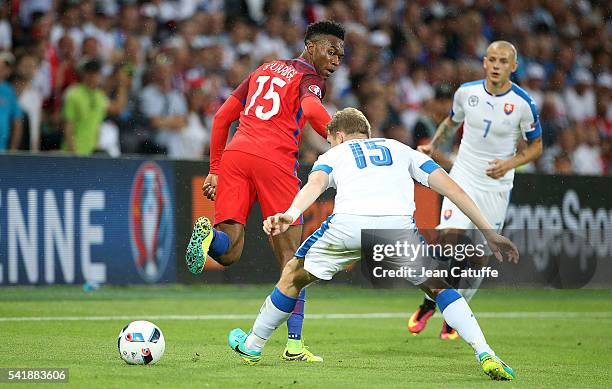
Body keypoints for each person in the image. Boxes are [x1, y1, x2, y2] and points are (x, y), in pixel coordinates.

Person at [227, 107, 518, 381]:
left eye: (330, 141)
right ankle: (486, 353)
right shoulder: (400, 149)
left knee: (292, 275)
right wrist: (489, 232)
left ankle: (253, 345)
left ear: (338, 137)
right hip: (396, 228)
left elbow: (314, 184)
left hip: (348, 225)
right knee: (440, 287)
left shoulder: (337, 153)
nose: (331, 146)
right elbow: (452, 188)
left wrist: (290, 214)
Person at [186, 20, 345, 362]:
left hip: (236, 155)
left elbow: (222, 118)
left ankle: (207, 240)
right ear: (311, 46)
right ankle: (294, 345)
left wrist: (214, 168)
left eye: (341, 56)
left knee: (229, 250)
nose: (335, 61)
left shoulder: (262, 70)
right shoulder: (309, 78)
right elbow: (312, 110)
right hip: (274, 162)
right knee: (295, 262)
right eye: (331, 52)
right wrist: (339, 135)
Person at [408, 41, 543, 339]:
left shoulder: (523, 104)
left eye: (503, 61)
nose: (496, 65)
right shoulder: (466, 93)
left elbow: (536, 146)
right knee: (448, 241)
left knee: (480, 257)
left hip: (495, 186)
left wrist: (509, 164)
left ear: (513, 66)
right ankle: (430, 302)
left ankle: (457, 314)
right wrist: (434, 145)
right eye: (492, 59)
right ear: (484, 62)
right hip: (464, 176)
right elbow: (451, 122)